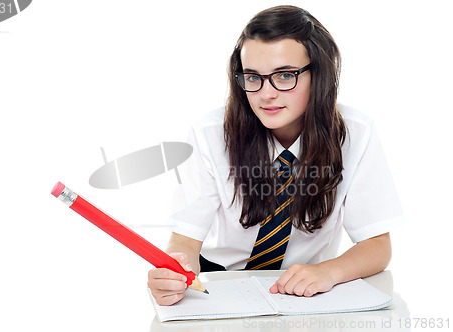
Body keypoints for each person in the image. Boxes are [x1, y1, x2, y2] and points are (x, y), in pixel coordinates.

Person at [147, 5, 403, 306]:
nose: (266, 94)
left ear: (318, 75)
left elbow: (376, 245)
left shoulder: (356, 133)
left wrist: (328, 272)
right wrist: (176, 271)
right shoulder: (210, 133)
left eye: (284, 76)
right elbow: (186, 239)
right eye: (253, 77)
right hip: (221, 280)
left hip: (306, 287)